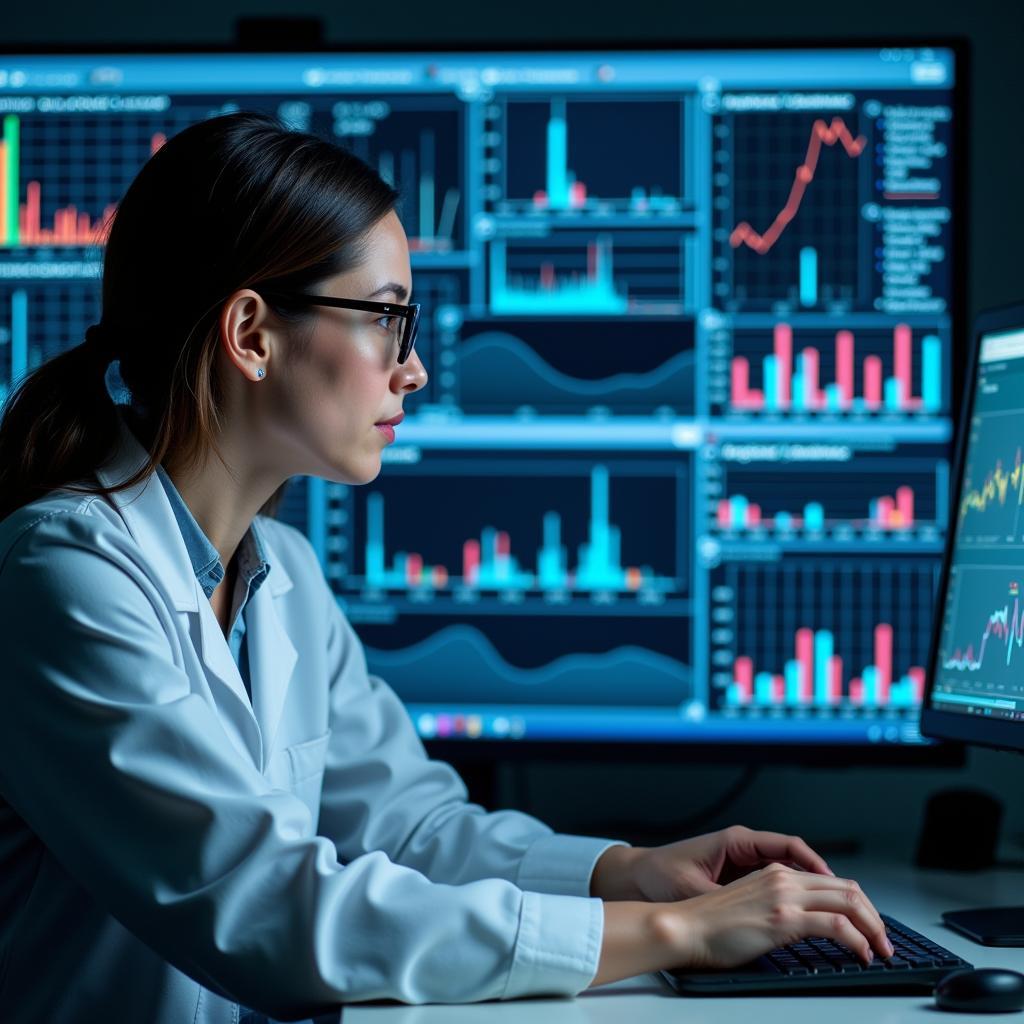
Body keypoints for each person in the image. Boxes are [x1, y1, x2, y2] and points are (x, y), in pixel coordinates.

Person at [0, 112, 894, 1024]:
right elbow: (264, 909)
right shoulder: (64, 574)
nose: (415, 369)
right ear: (251, 334)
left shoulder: (287, 577)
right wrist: (683, 934)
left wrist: (627, 872)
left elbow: (404, 828)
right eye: (388, 319)